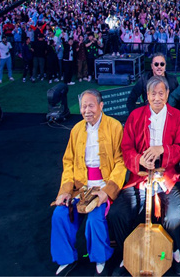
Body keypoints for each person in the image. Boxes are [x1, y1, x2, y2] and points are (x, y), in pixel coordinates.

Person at [108, 76, 180, 275]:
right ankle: (130, 252)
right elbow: (126, 149)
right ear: (147, 96)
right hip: (140, 176)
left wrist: (162, 149)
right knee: (118, 213)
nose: (157, 98)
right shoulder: (135, 115)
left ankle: (174, 251)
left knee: (174, 217)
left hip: (168, 176)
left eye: (161, 93)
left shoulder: (176, 116)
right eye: (153, 94)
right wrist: (139, 160)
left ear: (168, 94)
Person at [50, 90, 126, 276]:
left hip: (103, 186)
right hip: (80, 187)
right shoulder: (76, 130)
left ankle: (101, 259)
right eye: (84, 106)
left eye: (91, 105)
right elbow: (68, 162)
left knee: (95, 218)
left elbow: (121, 162)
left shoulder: (115, 127)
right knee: (59, 214)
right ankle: (66, 259)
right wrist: (66, 191)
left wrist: (106, 192)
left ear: (101, 106)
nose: (87, 110)